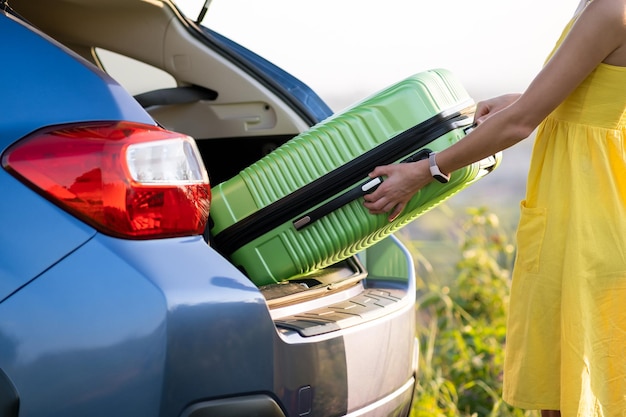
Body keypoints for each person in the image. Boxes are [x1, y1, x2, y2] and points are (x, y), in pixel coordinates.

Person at [363, 0, 626, 416]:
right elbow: (594, 98)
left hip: (588, 223)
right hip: (573, 216)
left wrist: (424, 171)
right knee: (560, 392)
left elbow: (523, 124)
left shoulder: (612, 10)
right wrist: (523, 100)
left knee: (580, 394)